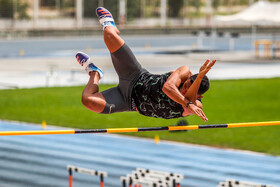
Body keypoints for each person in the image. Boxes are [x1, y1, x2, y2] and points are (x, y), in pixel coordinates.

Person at [75, 7, 216, 122]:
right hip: (135, 76)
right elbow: (168, 88)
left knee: (88, 100)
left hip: (128, 101)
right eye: (185, 86)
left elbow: (188, 106)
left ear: (199, 97)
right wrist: (188, 98)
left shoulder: (195, 106)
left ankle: (94, 73)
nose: (184, 91)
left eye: (189, 91)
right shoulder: (184, 72)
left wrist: (195, 87)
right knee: (109, 35)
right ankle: (111, 27)